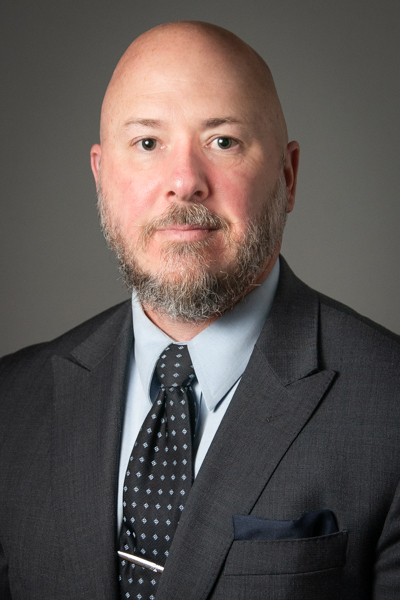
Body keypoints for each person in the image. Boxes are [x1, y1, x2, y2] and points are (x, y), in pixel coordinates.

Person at [0, 20, 399, 600]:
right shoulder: (11, 405)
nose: (184, 182)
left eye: (223, 141)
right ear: (100, 176)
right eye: (146, 143)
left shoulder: (389, 407)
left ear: (288, 177)